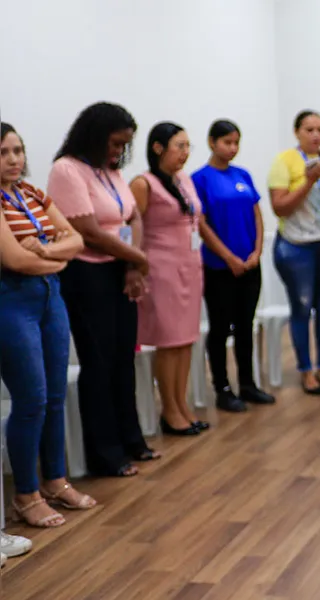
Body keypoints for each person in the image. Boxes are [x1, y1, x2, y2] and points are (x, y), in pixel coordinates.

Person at [47, 102, 159, 478]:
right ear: (94, 135)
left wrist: (132, 264)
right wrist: (139, 260)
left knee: (123, 358)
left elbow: (134, 216)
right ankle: (105, 454)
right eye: (114, 143)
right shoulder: (66, 170)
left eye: (124, 145)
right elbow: (89, 232)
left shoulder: (109, 171)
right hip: (87, 276)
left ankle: (132, 440)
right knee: (99, 362)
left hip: (119, 272)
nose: (118, 151)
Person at [0, 122, 93, 530]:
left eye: (17, 150)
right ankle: (25, 494)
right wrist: (56, 259)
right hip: (11, 300)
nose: (14, 159)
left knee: (55, 396)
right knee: (31, 399)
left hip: (50, 297)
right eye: (3, 152)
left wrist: (48, 251)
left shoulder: (33, 194)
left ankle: (54, 481)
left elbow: (77, 240)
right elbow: (14, 261)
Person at [129, 123, 207, 435]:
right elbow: (132, 228)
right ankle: (169, 410)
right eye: (179, 146)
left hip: (190, 266)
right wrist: (133, 266)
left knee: (186, 340)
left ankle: (183, 405)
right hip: (160, 270)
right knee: (168, 341)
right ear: (158, 148)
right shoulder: (143, 183)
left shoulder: (184, 180)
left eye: (188, 146)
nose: (185, 153)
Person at [192, 120, 275, 412]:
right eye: (227, 142)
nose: (233, 148)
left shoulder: (243, 175)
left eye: (236, 142)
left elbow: (257, 215)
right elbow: (200, 224)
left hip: (250, 265)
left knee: (245, 326)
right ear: (212, 142)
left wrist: (256, 252)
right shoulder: (200, 179)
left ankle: (248, 384)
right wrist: (228, 257)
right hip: (219, 268)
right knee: (220, 328)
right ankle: (223, 389)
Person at [269, 110, 320, 395]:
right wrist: (307, 182)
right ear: (297, 133)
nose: (316, 135)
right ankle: (305, 369)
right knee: (302, 307)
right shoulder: (284, 161)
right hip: (296, 246)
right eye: (309, 129)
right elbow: (280, 207)